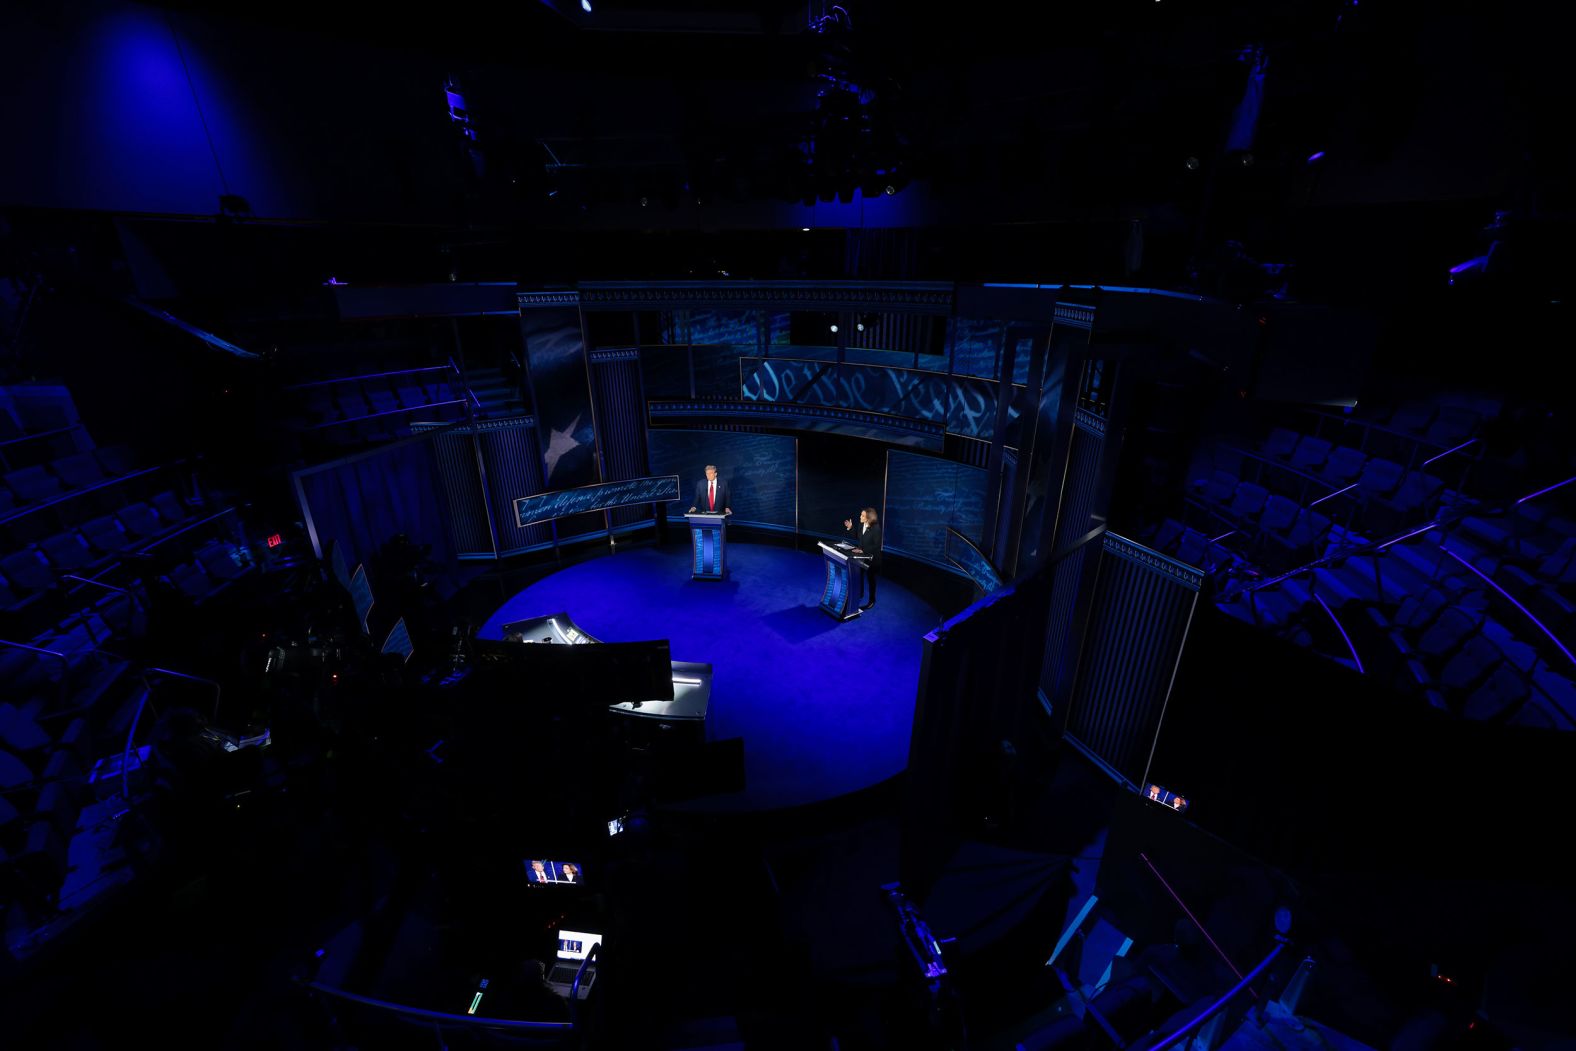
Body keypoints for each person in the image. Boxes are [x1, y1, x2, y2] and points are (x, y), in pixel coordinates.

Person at [842, 507, 883, 610]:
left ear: (868, 518)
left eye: (863, 516)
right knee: (859, 575)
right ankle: (859, 594)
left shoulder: (876, 528)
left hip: (872, 559)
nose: (860, 517)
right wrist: (851, 528)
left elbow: (876, 546)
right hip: (861, 557)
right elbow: (857, 536)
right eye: (861, 515)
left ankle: (872, 600)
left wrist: (862, 550)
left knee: (871, 579)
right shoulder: (861, 525)